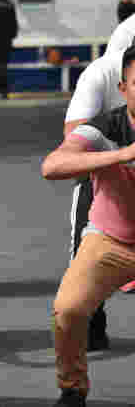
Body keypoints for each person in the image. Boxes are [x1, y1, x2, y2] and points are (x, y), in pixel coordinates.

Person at [41, 44, 135, 407]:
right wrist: (122, 155)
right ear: (123, 88)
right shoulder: (103, 128)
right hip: (110, 240)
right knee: (68, 309)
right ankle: (72, 389)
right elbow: (52, 166)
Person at [63, 44, 130, 350]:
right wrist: (118, 156)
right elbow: (71, 139)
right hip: (105, 175)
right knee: (85, 257)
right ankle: (89, 327)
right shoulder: (100, 72)